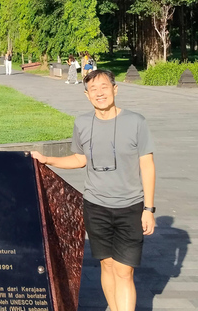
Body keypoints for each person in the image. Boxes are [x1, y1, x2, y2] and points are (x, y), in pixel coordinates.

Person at [31, 69, 156, 311]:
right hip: (96, 206)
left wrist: (148, 209)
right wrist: (47, 159)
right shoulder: (82, 123)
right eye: (94, 90)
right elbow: (79, 159)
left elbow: (147, 166)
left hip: (129, 206)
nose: (100, 93)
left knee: (124, 270)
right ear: (87, 95)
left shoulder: (136, 122)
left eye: (104, 87)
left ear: (115, 89)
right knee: (107, 265)